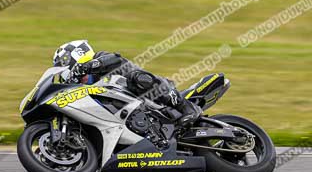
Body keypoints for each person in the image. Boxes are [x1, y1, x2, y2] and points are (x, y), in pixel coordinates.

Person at [52, 40, 201, 124]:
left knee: (137, 78)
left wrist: (86, 66)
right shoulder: (84, 89)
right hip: (133, 119)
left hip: (153, 99)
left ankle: (187, 107)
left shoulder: (101, 58)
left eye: (64, 65)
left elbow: (115, 59)